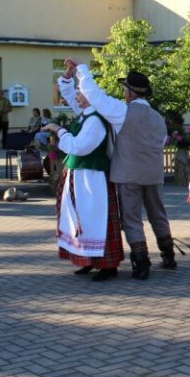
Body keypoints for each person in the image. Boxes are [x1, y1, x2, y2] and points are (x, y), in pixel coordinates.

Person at [70, 58, 176, 280]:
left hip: (128, 173)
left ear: (130, 93)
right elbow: (160, 142)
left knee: (132, 218)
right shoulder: (158, 118)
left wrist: (82, 70)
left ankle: (141, 262)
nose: (124, 93)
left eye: (125, 89)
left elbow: (95, 95)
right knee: (158, 214)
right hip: (154, 174)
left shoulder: (123, 111)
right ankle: (168, 255)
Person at [43, 63, 124, 281]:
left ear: (90, 97)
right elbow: (69, 95)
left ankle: (107, 265)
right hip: (78, 175)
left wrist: (59, 130)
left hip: (92, 177)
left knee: (95, 218)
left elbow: (79, 147)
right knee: (79, 218)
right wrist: (68, 78)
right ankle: (86, 259)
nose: (77, 96)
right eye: (78, 92)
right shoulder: (86, 114)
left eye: (81, 93)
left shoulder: (96, 120)